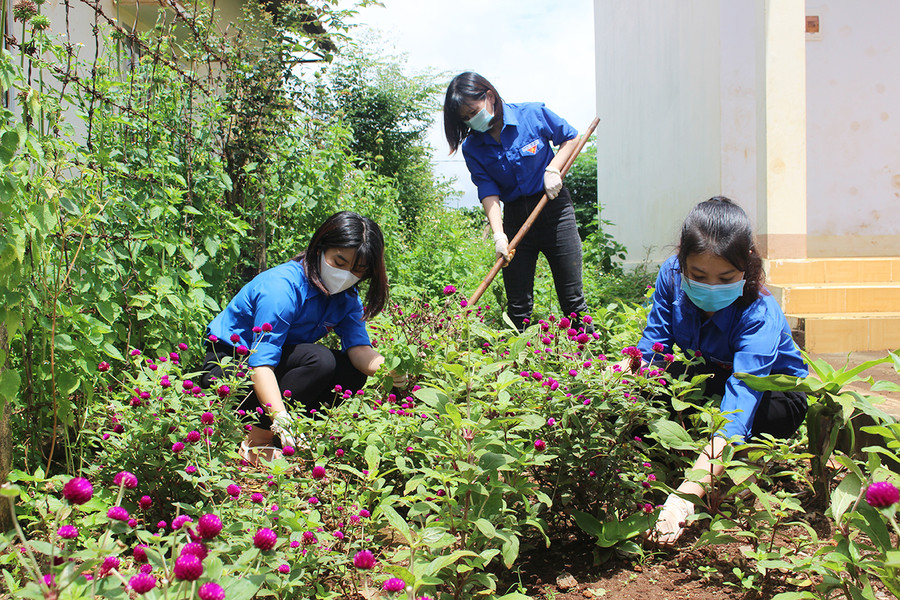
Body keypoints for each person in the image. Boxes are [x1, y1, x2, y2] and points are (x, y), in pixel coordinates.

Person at [636, 197, 808, 545]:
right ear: (682, 262)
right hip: (708, 375)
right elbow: (652, 351)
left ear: (746, 268)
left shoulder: (759, 313)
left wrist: (684, 500)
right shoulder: (671, 276)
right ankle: (699, 459)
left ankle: (739, 467)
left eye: (726, 277)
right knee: (641, 400)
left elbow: (739, 406)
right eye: (698, 276)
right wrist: (621, 381)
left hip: (769, 393)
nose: (710, 288)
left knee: (766, 419)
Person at [200, 211, 397, 463]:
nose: (347, 275)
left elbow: (359, 350)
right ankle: (255, 442)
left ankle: (288, 436)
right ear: (319, 249)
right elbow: (260, 364)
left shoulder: (345, 297)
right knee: (320, 360)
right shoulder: (281, 289)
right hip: (230, 369)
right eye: (339, 262)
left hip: (273, 368)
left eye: (358, 270)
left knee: (350, 370)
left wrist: (392, 369)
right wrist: (280, 416)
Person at [443, 72, 590, 332]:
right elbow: (488, 191)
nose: (471, 121)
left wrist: (553, 169)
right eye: (464, 118)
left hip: (554, 209)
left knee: (572, 301)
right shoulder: (473, 148)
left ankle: (591, 363)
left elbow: (571, 137)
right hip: (515, 219)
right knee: (518, 305)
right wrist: (499, 235)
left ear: (489, 96)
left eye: (473, 111)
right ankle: (515, 365)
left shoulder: (532, 114)